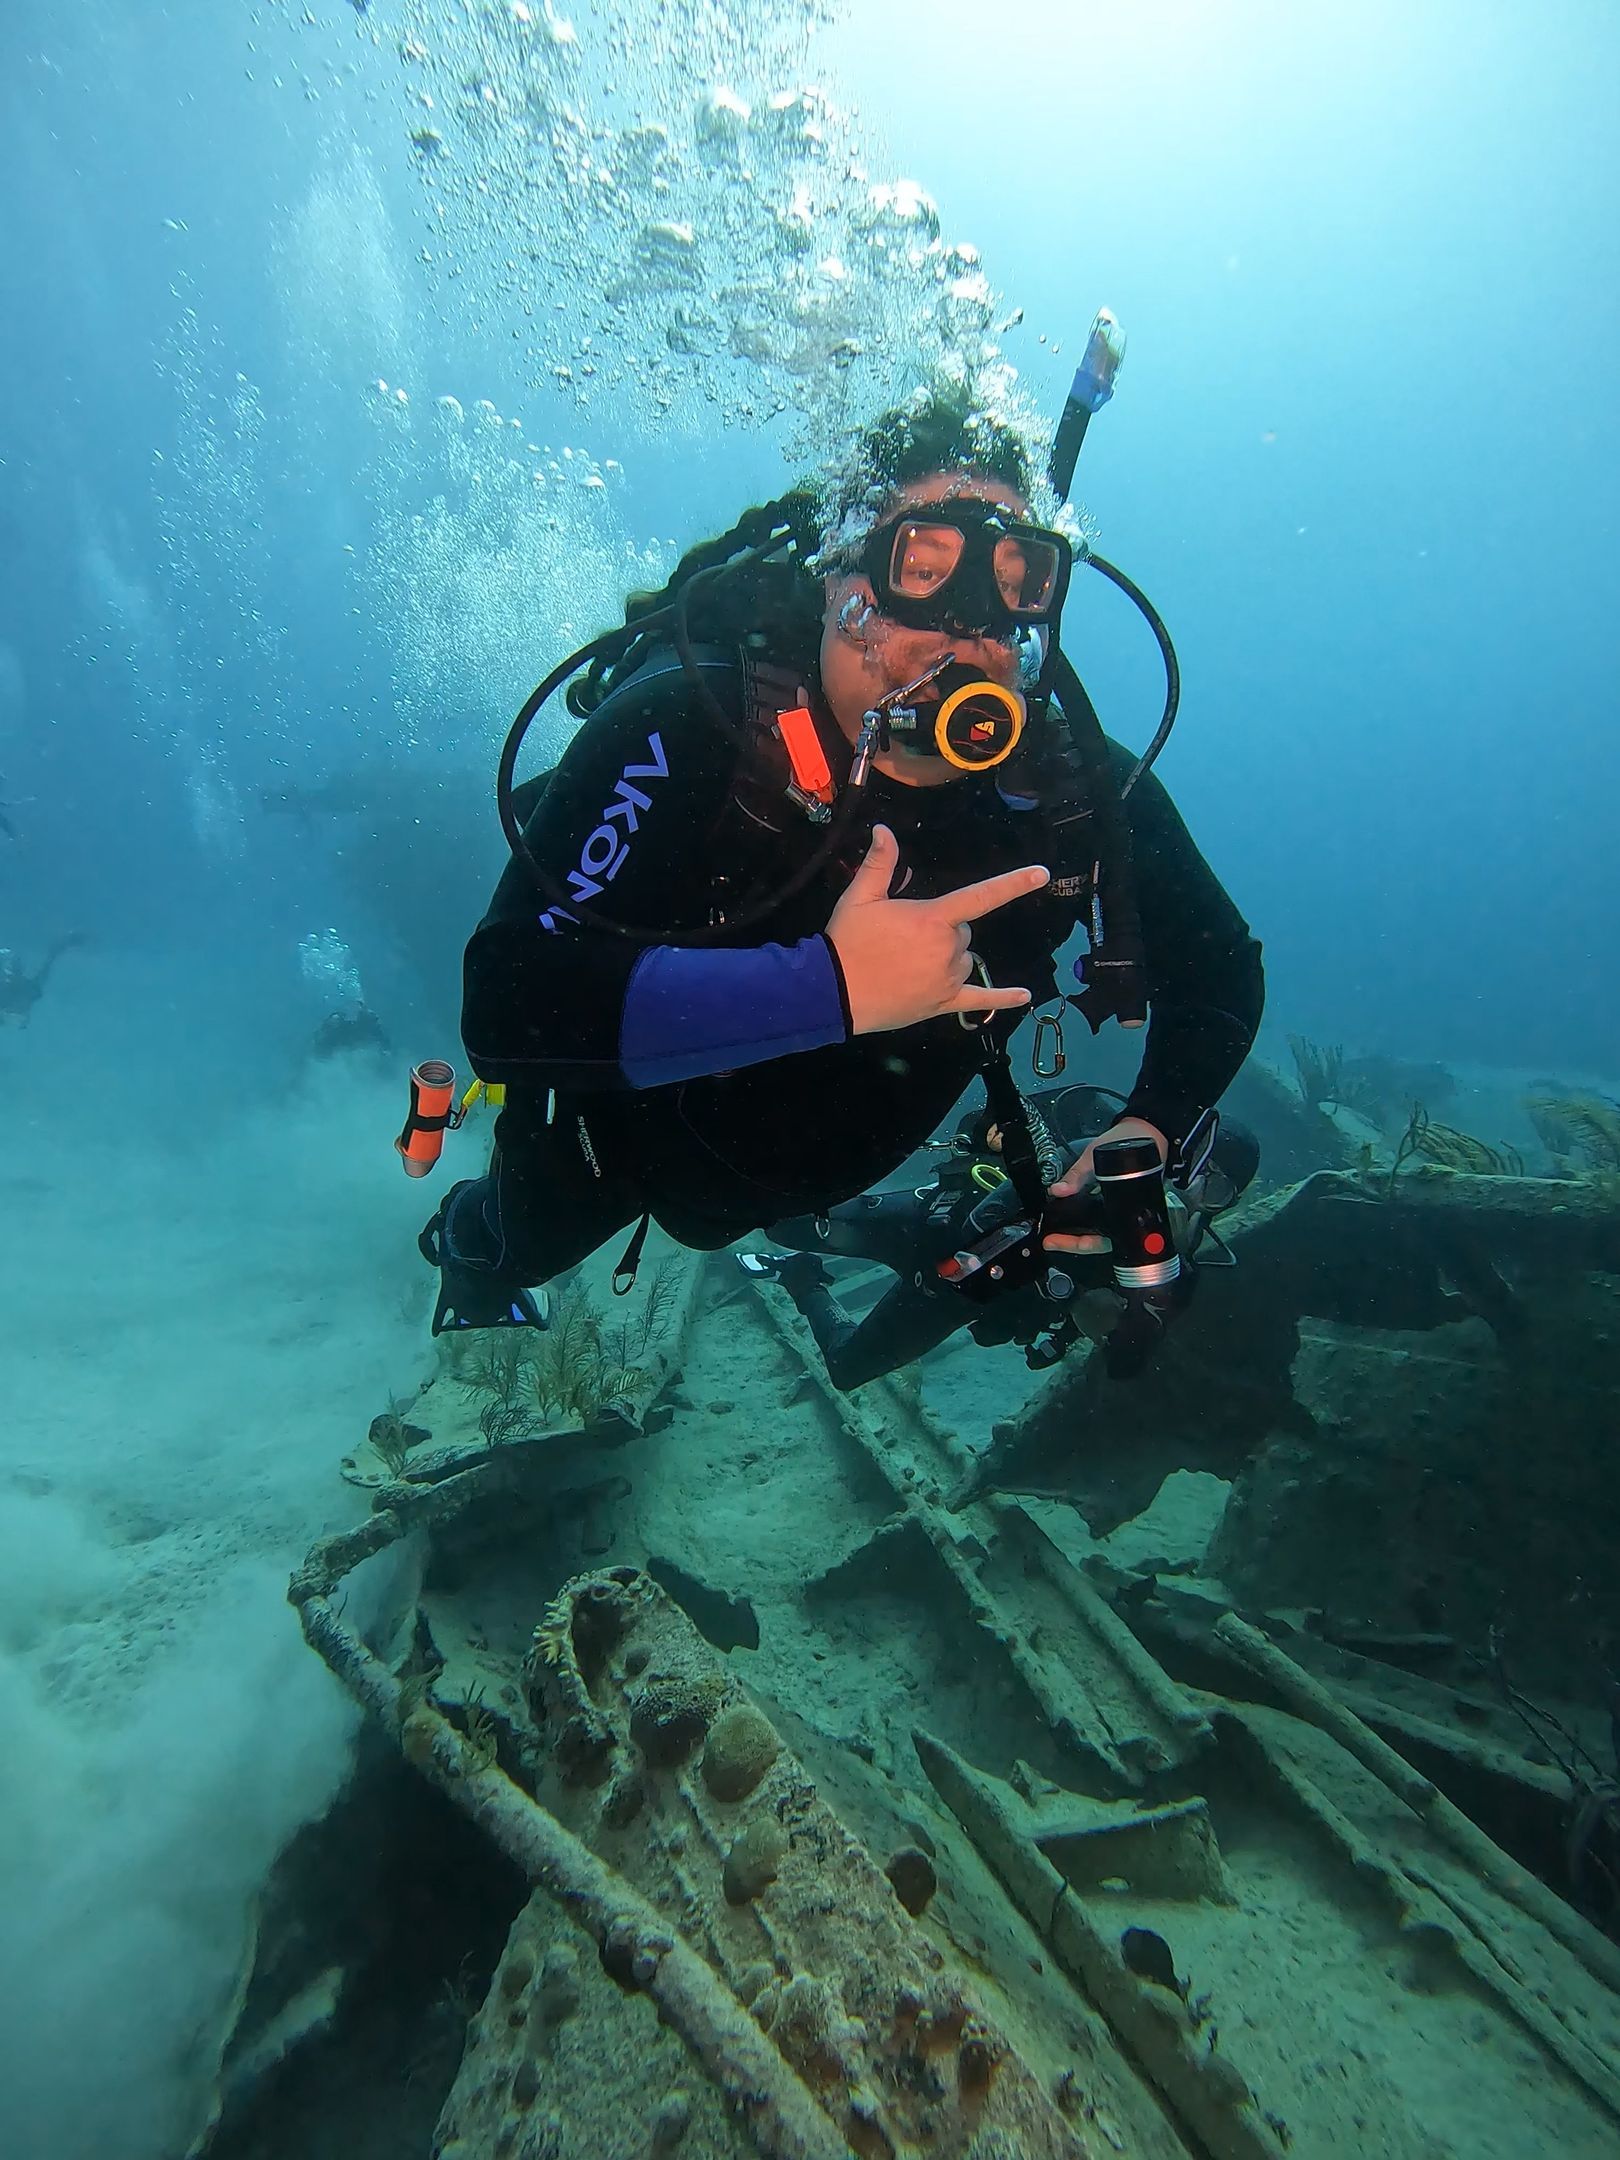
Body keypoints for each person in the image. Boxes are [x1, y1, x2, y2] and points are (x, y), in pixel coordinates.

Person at [419, 380, 1264, 1348]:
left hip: (818, 1167)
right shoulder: (693, 728)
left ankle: (834, 1230)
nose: (967, 626)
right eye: (927, 565)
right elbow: (507, 1005)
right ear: (836, 579)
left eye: (1015, 582)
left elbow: (1221, 969)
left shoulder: (1072, 788)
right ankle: (461, 1244)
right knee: (515, 1246)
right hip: (616, 1141)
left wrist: (1154, 1122)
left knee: (783, 1213)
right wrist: (825, 988)